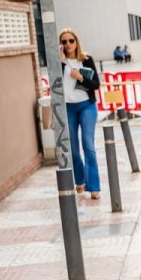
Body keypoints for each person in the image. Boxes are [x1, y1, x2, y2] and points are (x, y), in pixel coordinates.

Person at [59, 28, 102, 200]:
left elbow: (96, 84)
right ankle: (80, 180)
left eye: (71, 40)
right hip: (68, 108)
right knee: (74, 150)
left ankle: (94, 187)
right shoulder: (60, 63)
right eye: (64, 42)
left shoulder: (86, 59)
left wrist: (80, 77)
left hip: (86, 106)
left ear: (76, 41)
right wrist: (60, 61)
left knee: (88, 146)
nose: (68, 44)